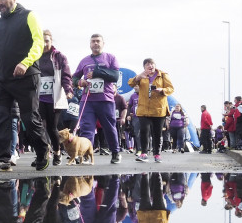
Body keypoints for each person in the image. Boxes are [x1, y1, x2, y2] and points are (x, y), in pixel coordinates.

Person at [0, 0, 50, 172]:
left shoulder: (29, 16)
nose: (0, 3)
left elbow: (38, 43)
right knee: (1, 119)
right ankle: (3, 159)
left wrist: (25, 62)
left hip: (26, 76)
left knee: (30, 118)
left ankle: (42, 152)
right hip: (2, 80)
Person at [72, 34, 122, 164]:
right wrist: (80, 82)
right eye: (93, 41)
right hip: (87, 99)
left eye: (98, 41)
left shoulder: (110, 58)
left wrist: (97, 73)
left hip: (105, 98)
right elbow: (74, 78)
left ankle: (115, 152)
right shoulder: (84, 61)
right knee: (86, 127)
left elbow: (115, 76)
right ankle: (85, 154)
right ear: (90, 44)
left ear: (103, 43)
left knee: (109, 126)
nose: (95, 43)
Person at [36, 30, 73, 166]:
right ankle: (43, 154)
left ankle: (57, 152)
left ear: (51, 41)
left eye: (46, 40)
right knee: (39, 127)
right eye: (41, 41)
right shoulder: (34, 56)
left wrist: (68, 89)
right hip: (38, 97)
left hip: (54, 97)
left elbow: (66, 75)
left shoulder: (59, 56)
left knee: (52, 127)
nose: (44, 44)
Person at [128, 58, 174, 162]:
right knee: (144, 131)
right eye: (148, 64)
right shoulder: (141, 76)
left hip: (158, 109)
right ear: (144, 67)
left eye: (152, 64)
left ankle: (157, 154)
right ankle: (144, 153)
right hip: (144, 109)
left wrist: (162, 90)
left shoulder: (162, 75)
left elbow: (171, 88)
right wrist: (139, 77)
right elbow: (130, 83)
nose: (150, 66)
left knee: (157, 133)